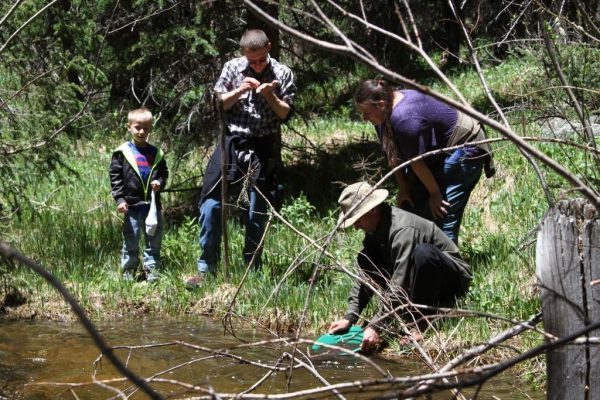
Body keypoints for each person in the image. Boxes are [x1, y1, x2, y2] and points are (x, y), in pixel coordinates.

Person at [187, 29, 296, 288]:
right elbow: (219, 103)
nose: (256, 64)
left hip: (264, 146)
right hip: (231, 143)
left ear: (269, 47)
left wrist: (269, 95)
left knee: (257, 208)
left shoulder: (283, 73)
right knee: (211, 204)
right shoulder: (233, 68)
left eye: (260, 59)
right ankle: (206, 268)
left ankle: (252, 267)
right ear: (243, 53)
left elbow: (284, 114)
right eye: (252, 60)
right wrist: (239, 90)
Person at [328, 181, 472, 352]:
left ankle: (420, 324)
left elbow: (400, 284)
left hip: (451, 281)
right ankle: (413, 307)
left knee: (423, 253)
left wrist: (376, 326)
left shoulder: (403, 230)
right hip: (418, 279)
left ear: (373, 210)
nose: (356, 226)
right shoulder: (375, 230)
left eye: (357, 219)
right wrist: (350, 317)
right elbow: (365, 276)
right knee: (366, 257)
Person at [354, 79, 495, 244]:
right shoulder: (382, 117)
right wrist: (404, 189)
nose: (364, 118)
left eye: (367, 113)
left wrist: (435, 194)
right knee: (413, 207)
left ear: (381, 105)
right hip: (436, 151)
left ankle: (451, 263)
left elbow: (416, 162)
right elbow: (393, 156)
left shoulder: (404, 118)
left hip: (465, 145)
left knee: (442, 213)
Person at [109, 107, 168, 282]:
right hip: (131, 205)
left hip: (152, 206)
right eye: (137, 127)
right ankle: (129, 270)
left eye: (146, 128)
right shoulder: (122, 153)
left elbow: (163, 173)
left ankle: (152, 269)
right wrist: (119, 198)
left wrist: (160, 183)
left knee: (153, 239)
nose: (142, 132)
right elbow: (115, 177)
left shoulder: (156, 153)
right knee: (131, 238)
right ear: (129, 127)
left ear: (151, 129)